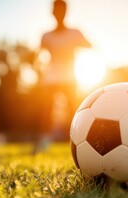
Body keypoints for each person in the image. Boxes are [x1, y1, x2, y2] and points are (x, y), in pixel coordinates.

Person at [34, 0, 91, 153]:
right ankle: (44, 142)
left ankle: (81, 141)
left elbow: (90, 46)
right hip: (50, 79)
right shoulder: (46, 36)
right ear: (52, 13)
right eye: (56, 10)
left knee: (75, 110)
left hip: (70, 78)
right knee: (47, 110)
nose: (59, 13)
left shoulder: (75, 33)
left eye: (62, 10)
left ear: (66, 12)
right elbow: (39, 54)